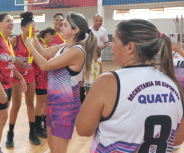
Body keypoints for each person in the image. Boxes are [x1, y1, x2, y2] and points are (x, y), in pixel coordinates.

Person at [76, 19, 184, 152]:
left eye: (114, 41)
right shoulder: (173, 85)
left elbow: (83, 129)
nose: (111, 45)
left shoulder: (107, 82)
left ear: (130, 47)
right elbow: (178, 139)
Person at [24, 12, 97, 153]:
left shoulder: (76, 51)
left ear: (75, 30)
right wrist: (33, 39)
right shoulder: (64, 47)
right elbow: (44, 52)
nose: (61, 27)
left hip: (65, 107)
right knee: (52, 146)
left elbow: (44, 65)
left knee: (58, 150)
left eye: (65, 25)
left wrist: (28, 45)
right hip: (53, 104)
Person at [0, 13, 27, 153]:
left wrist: (20, 78)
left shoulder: (8, 40)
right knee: (1, 116)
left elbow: (10, 64)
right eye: (8, 21)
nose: (12, 23)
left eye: (12, 21)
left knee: (3, 116)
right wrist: (0, 89)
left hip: (8, 83)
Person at [6, 12, 45, 147]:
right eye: (30, 26)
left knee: (30, 104)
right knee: (16, 105)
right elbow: (4, 55)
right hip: (16, 76)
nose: (32, 28)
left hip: (30, 75)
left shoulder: (34, 40)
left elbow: (42, 54)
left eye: (33, 26)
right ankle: (10, 134)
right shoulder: (15, 40)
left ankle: (32, 132)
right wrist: (14, 59)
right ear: (23, 28)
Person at [34, 27, 56, 136]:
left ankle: (43, 123)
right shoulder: (40, 44)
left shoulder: (46, 45)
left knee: (46, 102)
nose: (53, 39)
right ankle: (37, 127)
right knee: (40, 102)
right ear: (48, 35)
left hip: (45, 77)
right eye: (53, 37)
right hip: (40, 77)